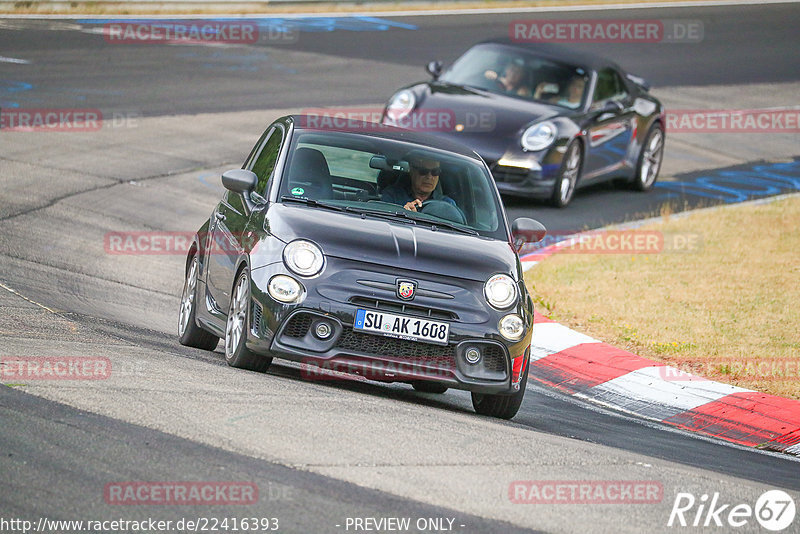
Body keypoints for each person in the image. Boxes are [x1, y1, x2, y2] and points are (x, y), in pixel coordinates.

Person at [381, 155, 458, 213]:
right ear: (411, 171)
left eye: (435, 172)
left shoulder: (448, 204)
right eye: (423, 171)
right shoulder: (392, 196)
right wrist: (403, 214)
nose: (429, 177)